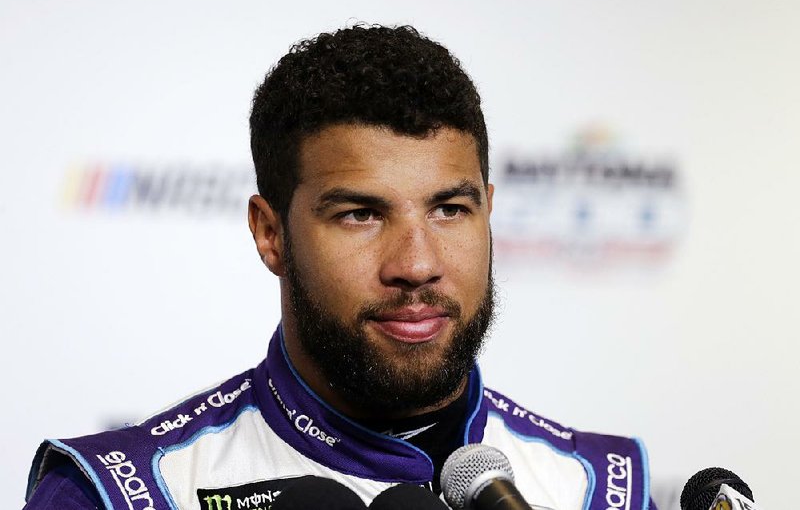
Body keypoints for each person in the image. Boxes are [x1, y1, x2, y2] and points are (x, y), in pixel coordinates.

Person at [24, 25, 657, 510]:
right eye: (360, 215)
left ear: (488, 212)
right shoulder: (122, 490)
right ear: (270, 234)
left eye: (449, 209)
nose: (416, 265)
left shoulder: (603, 487)